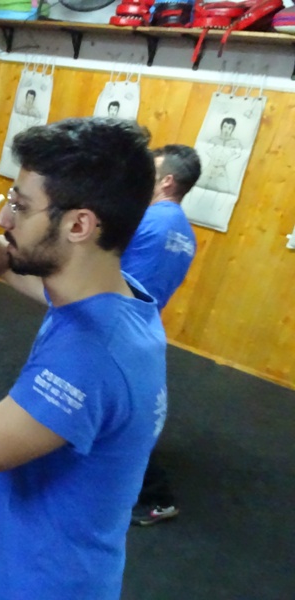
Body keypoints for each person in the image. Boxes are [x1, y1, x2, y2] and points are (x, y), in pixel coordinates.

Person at [0, 117, 167, 598]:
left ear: (78, 225)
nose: (3, 219)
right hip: (7, 540)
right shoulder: (113, 295)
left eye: (19, 207)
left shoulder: (88, 360)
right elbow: (11, 261)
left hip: (39, 583)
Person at [121, 144, 201, 525]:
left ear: (167, 180)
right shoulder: (186, 233)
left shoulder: (149, 220)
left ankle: (158, 497)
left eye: (151, 172)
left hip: (120, 324)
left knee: (126, 414)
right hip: (145, 326)